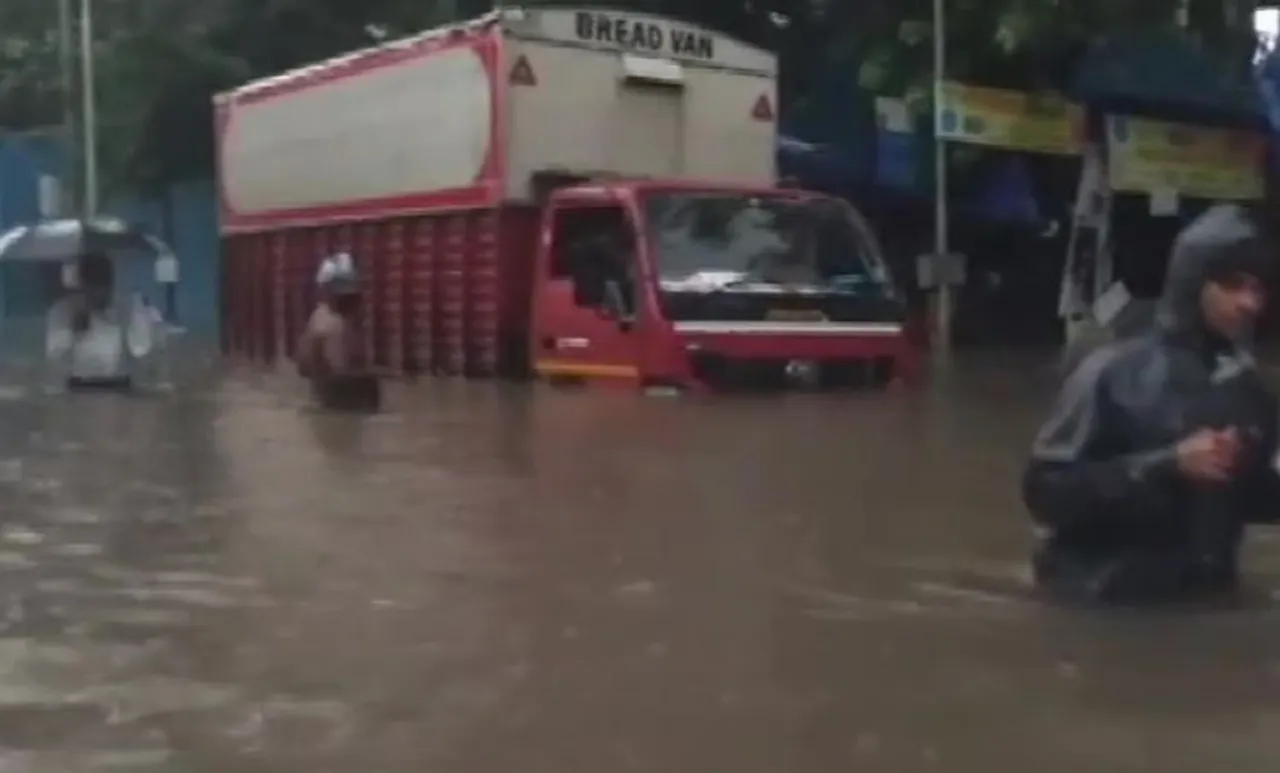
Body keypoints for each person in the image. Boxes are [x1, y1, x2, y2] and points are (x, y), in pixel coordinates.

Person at [1022, 205, 1280, 605]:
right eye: (1233, 284)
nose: (1250, 303)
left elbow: (1251, 497)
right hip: (1104, 608)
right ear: (1194, 280)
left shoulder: (1246, 388)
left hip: (1204, 610)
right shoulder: (1112, 369)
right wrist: (1166, 465)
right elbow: (1046, 493)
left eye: (1259, 289)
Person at [296, 253, 379, 410]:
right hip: (342, 407)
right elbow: (343, 374)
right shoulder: (336, 326)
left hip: (324, 403)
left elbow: (303, 367)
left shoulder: (319, 316)